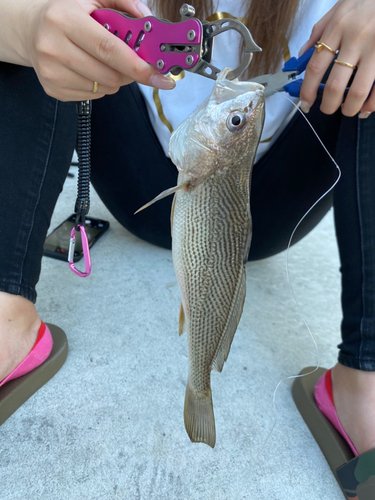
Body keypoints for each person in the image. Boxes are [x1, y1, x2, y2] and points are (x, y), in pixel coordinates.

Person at [1, 0, 375, 488]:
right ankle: (8, 320)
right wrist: (27, 25)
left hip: (273, 200)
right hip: (142, 176)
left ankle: (363, 387)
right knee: (45, 17)